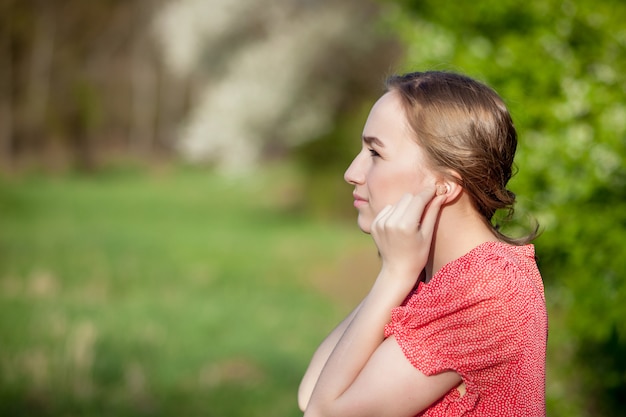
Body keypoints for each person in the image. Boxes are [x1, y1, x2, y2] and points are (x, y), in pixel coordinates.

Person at [298, 71, 547, 417]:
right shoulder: (447, 278)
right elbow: (311, 392)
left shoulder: (484, 291)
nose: (352, 172)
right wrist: (399, 274)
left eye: (375, 153)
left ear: (444, 184)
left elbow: (323, 413)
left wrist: (395, 274)